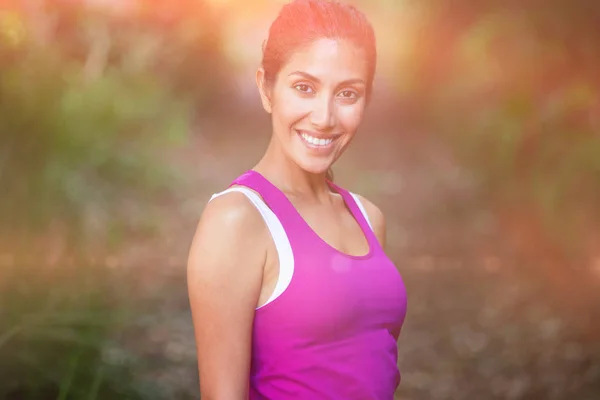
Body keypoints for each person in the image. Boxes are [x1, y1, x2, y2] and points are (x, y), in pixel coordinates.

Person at [187, 0, 408, 398]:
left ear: (367, 99)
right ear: (266, 89)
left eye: (347, 93)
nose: (324, 116)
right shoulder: (237, 220)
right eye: (304, 87)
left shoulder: (368, 218)